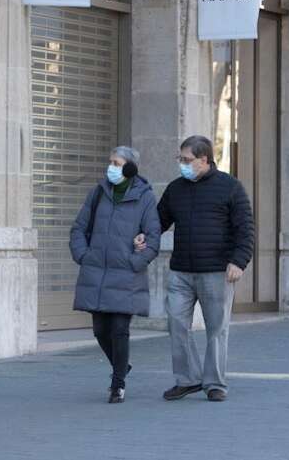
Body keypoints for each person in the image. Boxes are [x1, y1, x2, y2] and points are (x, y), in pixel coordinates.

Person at [140, 135, 254, 403]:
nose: (182, 164)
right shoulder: (176, 189)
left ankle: (214, 383)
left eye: (186, 160)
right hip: (181, 270)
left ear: (204, 160)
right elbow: (159, 220)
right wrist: (143, 234)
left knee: (217, 329)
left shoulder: (230, 187)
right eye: (180, 159)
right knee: (176, 323)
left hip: (216, 271)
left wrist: (239, 261)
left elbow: (245, 228)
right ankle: (188, 379)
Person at [69, 146, 162, 403]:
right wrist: (83, 255)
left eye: (117, 163)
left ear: (130, 167)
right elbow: (79, 228)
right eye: (110, 161)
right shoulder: (98, 193)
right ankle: (122, 365)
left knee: (120, 329)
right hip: (97, 272)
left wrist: (135, 261)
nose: (111, 166)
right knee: (100, 330)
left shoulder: (144, 197)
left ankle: (117, 383)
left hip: (126, 275)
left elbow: (153, 238)